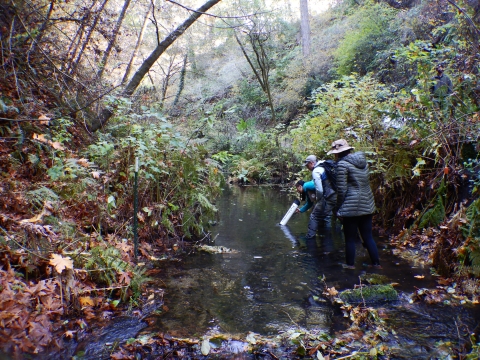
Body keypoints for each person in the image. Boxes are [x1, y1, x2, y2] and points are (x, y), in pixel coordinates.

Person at [327, 139, 381, 269]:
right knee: (368, 237)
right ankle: (376, 264)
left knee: (350, 239)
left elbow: (342, 190)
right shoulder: (363, 162)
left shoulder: (342, 165)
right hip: (367, 203)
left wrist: (338, 209)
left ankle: (350, 266)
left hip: (350, 207)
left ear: (337, 153)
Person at [300, 155, 336, 239]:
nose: (307, 167)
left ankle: (310, 239)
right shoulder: (325, 165)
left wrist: (318, 200)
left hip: (329, 196)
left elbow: (319, 190)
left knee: (314, 216)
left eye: (307, 165)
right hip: (338, 194)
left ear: (312, 163)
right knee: (337, 215)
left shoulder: (316, 171)